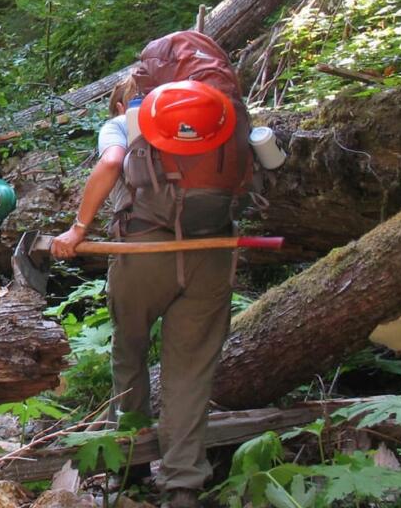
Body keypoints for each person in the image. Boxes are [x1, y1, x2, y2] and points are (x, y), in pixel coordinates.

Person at [51, 75, 235, 508]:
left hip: (143, 249)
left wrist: (79, 229)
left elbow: (112, 162)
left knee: (130, 350)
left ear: (121, 103)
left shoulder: (122, 123)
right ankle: (183, 485)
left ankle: (129, 461)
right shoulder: (215, 119)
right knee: (190, 372)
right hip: (212, 250)